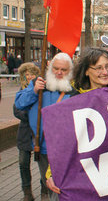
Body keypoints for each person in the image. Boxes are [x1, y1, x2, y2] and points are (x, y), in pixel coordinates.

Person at [46, 47, 108, 198]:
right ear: (86, 71)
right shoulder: (73, 101)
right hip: (84, 176)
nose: (105, 72)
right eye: (98, 68)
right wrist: (51, 173)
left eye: (107, 66)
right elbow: (63, 142)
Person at [15, 53, 74, 201]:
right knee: (48, 184)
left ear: (70, 71)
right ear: (49, 67)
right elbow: (19, 104)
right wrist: (33, 90)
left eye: (64, 70)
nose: (59, 72)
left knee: (62, 186)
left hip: (65, 149)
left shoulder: (74, 92)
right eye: (56, 68)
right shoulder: (37, 84)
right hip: (42, 147)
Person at [14, 62, 40, 201]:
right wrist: (30, 114)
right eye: (27, 74)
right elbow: (16, 111)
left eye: (32, 74)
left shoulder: (41, 89)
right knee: (23, 163)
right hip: (24, 132)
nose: (29, 77)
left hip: (38, 132)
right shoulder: (21, 91)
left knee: (43, 162)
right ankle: (27, 191)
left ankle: (45, 190)